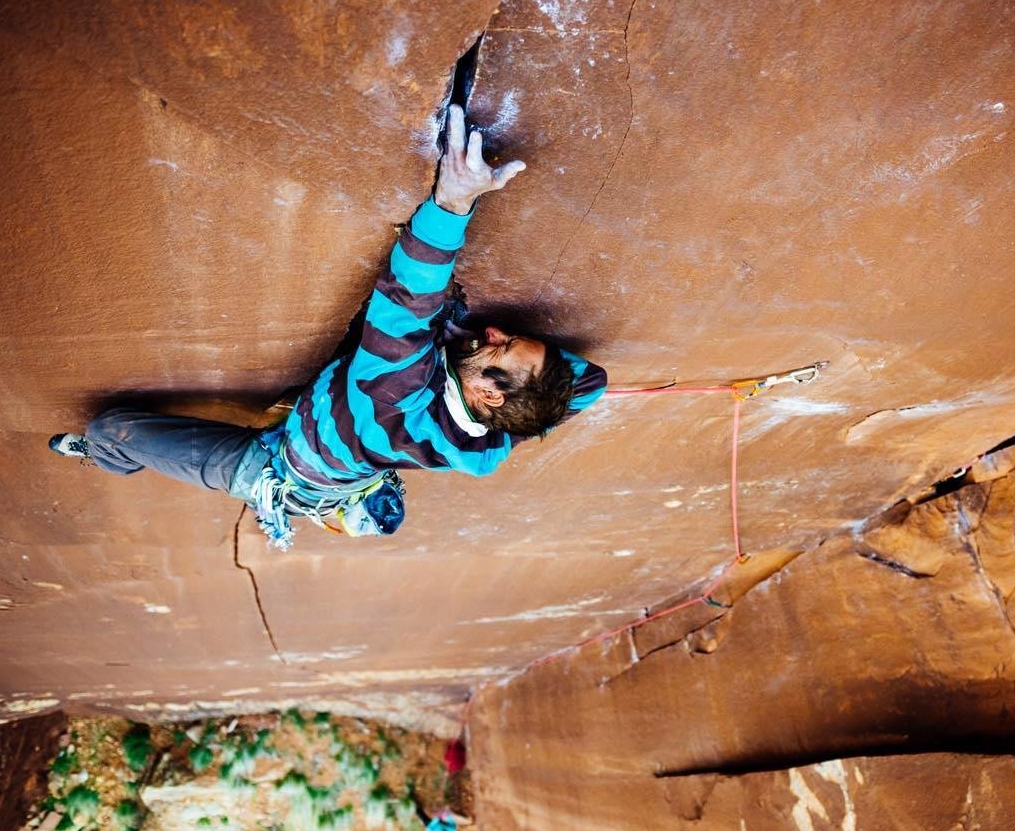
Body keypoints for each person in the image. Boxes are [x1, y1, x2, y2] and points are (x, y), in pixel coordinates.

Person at [49, 106, 607, 547]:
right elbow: (588, 383)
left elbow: (409, 298)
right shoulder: (495, 440)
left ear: (487, 391)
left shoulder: (395, 389)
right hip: (355, 456)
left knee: (110, 429)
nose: (491, 332)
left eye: (500, 348)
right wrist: (538, 387)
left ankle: (102, 458)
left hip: (279, 470)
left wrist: (454, 201)